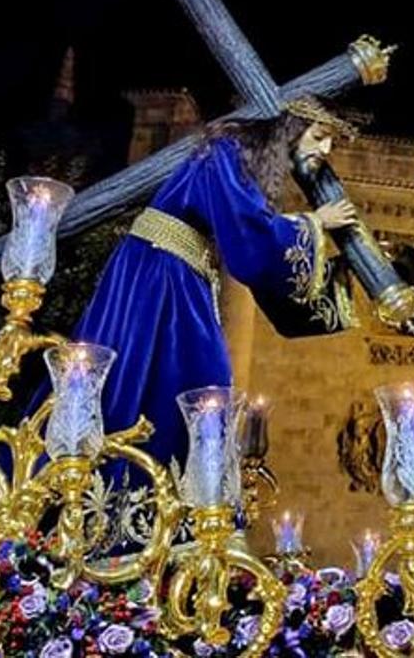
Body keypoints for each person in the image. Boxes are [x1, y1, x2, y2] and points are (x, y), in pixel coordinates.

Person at [58, 97, 362, 468]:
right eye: (319, 135)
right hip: (161, 274)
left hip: (180, 272)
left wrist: (335, 268)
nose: (326, 149)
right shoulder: (228, 149)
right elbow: (251, 240)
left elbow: (254, 248)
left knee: (189, 385)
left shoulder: (238, 158)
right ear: (291, 128)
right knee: (187, 381)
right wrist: (316, 223)